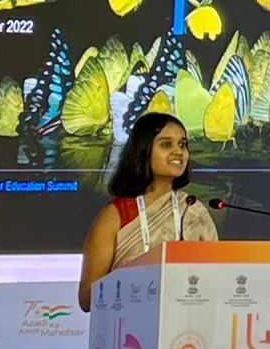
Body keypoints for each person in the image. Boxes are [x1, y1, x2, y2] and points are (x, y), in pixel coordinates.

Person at [78, 113, 217, 311]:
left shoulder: (193, 210)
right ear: (143, 151)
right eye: (166, 144)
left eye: (183, 144)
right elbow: (88, 298)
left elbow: (215, 280)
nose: (179, 152)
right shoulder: (115, 215)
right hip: (130, 324)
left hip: (188, 324)